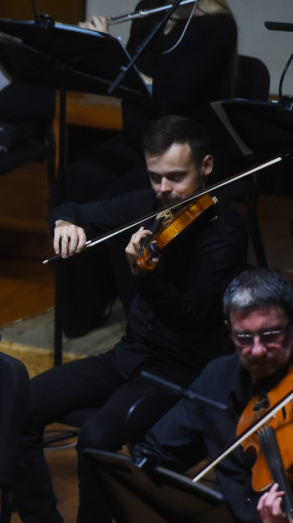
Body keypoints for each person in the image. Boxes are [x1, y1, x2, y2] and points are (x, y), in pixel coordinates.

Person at [0, 115, 249, 523]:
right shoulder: (146, 205)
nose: (164, 190)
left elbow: (189, 315)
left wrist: (146, 275)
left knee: (97, 437)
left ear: (206, 166)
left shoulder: (225, 230)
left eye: (176, 177)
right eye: (155, 177)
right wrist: (63, 223)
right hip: (130, 355)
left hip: (180, 372)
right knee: (20, 404)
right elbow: (72, 206)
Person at [115, 268, 293, 523]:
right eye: (244, 337)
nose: (256, 350)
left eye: (270, 335)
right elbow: (156, 453)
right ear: (229, 330)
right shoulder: (218, 377)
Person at [64, 0, 237, 336]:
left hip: (182, 151)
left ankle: (143, 323)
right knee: (78, 181)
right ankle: (87, 305)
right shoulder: (150, 12)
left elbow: (170, 99)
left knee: (124, 200)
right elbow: (129, 87)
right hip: (138, 141)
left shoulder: (217, 26)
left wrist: (111, 53)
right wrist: (98, 51)